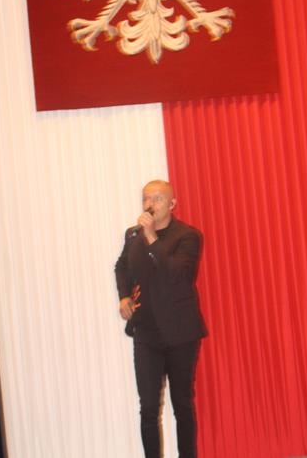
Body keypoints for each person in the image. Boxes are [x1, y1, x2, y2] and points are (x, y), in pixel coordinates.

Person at [115, 180, 207, 458]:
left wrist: (152, 237)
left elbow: (178, 274)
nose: (150, 204)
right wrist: (124, 296)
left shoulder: (188, 236)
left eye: (157, 198)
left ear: (172, 203)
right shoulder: (133, 235)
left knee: (182, 404)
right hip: (146, 333)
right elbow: (122, 267)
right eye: (146, 198)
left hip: (180, 333)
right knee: (148, 409)